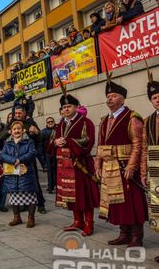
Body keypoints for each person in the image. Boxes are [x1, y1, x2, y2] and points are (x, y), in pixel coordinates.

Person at [95, 78, 147, 247]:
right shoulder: (104, 120)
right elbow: (100, 145)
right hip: (109, 167)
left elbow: (138, 144)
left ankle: (136, 236)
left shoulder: (132, 117)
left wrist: (132, 166)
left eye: (114, 95)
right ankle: (124, 233)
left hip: (125, 167)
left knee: (131, 202)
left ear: (123, 98)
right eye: (108, 96)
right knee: (116, 203)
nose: (110, 98)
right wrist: (97, 165)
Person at [48, 93, 99, 236]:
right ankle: (78, 221)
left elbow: (88, 140)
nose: (66, 109)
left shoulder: (85, 122)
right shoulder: (61, 124)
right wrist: (55, 142)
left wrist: (68, 141)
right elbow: (52, 142)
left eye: (69, 106)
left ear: (76, 107)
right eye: (63, 107)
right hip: (64, 165)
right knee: (72, 195)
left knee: (85, 195)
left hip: (80, 164)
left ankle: (89, 223)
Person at [1, 121, 38, 228]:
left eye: (19, 129)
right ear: (11, 132)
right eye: (14, 129)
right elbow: (2, 155)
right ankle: (17, 217)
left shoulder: (29, 141)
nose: (17, 131)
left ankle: (31, 218)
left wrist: (20, 159)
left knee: (30, 196)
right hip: (12, 173)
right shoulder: (7, 143)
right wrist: (13, 160)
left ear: (23, 130)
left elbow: (32, 153)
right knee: (13, 196)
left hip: (26, 174)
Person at [142, 77, 159, 263]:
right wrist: (143, 172)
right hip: (155, 169)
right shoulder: (148, 121)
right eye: (154, 97)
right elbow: (144, 148)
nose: (158, 99)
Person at [42, 117, 57, 193]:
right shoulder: (43, 132)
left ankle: (58, 186)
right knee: (50, 171)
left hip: (57, 153)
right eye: (48, 122)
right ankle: (50, 187)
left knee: (57, 171)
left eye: (52, 121)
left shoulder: (58, 129)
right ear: (46, 123)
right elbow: (41, 144)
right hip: (48, 154)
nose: (50, 123)